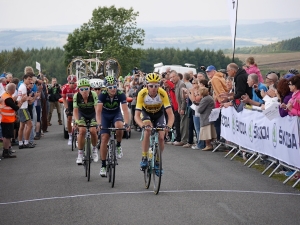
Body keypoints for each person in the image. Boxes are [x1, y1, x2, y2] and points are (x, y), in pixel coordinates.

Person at [134, 73, 174, 174]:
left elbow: (170, 114)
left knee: (161, 137)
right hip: (146, 113)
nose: (153, 88)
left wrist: (169, 126)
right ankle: (144, 157)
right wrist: (142, 125)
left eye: (156, 86)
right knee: (147, 130)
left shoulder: (162, 93)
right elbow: (136, 115)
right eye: (151, 86)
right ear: (146, 85)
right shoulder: (142, 93)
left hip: (159, 114)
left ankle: (157, 160)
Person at [96, 75, 130, 177]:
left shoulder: (120, 94)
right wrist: (99, 123)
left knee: (119, 126)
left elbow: (125, 110)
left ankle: (118, 145)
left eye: (114, 86)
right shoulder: (102, 95)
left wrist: (127, 123)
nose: (113, 89)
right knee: (104, 137)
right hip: (105, 116)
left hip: (116, 114)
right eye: (110, 87)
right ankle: (103, 165)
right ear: (106, 88)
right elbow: (98, 111)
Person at [73, 78, 99, 165]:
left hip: (92, 114)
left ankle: (94, 149)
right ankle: (80, 154)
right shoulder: (76, 96)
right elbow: (75, 110)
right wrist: (76, 121)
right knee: (82, 131)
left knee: (93, 131)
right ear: (79, 90)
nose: (84, 91)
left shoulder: (94, 94)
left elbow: (97, 109)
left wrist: (98, 121)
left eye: (86, 89)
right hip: (82, 114)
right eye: (82, 89)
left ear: (90, 89)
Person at [1, 83, 27, 158]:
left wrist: (17, 101)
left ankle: (7, 150)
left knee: (8, 136)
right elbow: (16, 107)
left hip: (7, 119)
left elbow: (14, 104)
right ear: (12, 90)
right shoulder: (7, 98)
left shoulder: (6, 96)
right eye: (15, 89)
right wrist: (21, 101)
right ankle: (5, 151)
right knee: (7, 136)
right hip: (6, 119)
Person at [17, 73, 35, 149]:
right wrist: (30, 97)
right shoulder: (23, 87)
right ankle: (26, 142)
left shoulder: (22, 86)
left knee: (22, 126)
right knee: (30, 125)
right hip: (23, 108)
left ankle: (21, 142)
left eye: (31, 79)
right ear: (24, 79)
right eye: (29, 79)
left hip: (22, 107)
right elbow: (24, 98)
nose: (30, 81)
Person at [62, 75, 78, 145]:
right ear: (68, 82)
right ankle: (70, 136)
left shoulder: (78, 87)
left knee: (78, 118)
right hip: (70, 102)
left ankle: (78, 134)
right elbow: (64, 99)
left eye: (73, 83)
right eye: (70, 83)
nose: (71, 84)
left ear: (75, 82)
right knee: (69, 118)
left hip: (77, 102)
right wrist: (67, 108)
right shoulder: (65, 87)